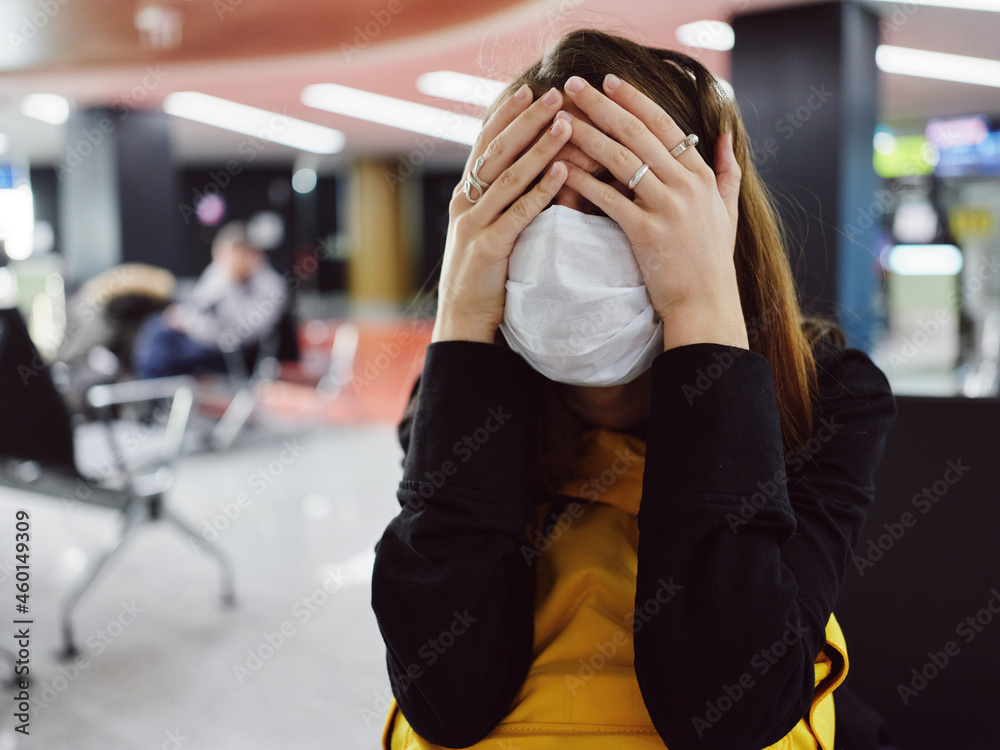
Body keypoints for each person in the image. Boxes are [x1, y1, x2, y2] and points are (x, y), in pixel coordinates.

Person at [371, 29, 898, 750]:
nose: (565, 238)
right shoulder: (461, 391)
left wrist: (701, 314)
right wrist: (461, 318)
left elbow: (726, 710)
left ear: (714, 216)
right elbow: (448, 699)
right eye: (535, 196)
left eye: (617, 193)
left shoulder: (828, 393)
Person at [131, 221, 287, 379]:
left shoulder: (270, 286)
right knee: (157, 327)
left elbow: (242, 332)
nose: (230, 260)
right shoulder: (220, 271)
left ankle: (155, 396)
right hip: (203, 336)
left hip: (230, 351)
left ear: (252, 254)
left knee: (162, 350)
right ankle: (152, 394)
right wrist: (181, 317)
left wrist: (230, 285)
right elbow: (198, 303)